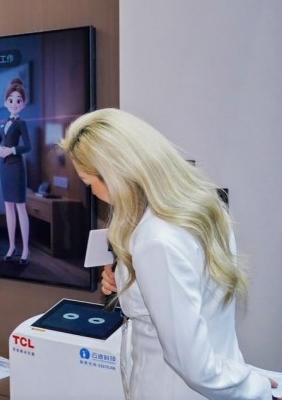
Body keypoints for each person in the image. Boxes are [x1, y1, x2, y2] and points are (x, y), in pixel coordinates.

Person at [58, 108, 278, 400]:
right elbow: (195, 294)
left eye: (89, 183)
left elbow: (193, 364)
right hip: (219, 378)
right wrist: (127, 282)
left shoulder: (156, 239)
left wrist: (254, 388)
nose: (93, 193)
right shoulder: (204, 209)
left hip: (174, 388)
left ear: (115, 173)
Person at [0, 77, 31, 264]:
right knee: (8, 206)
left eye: (18, 100)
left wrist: (12, 150)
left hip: (16, 167)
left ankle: (25, 249)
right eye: (11, 100)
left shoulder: (21, 123)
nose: (14, 104)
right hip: (4, 167)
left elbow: (28, 146)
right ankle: (11, 246)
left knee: (20, 207)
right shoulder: (4, 122)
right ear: (5, 102)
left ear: (23, 104)